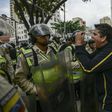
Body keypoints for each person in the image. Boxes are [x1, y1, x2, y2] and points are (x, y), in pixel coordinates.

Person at [14, 24, 57, 112]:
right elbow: (20, 78)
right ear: (33, 38)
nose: (45, 37)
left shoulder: (53, 50)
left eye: (47, 35)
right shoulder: (26, 55)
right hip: (38, 100)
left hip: (56, 95)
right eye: (41, 36)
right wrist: (36, 90)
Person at [74, 23, 112, 112]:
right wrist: (82, 47)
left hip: (108, 103)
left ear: (103, 38)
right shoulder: (103, 48)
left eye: (95, 34)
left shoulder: (109, 51)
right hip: (102, 99)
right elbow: (90, 60)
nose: (91, 37)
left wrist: (79, 45)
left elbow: (89, 68)